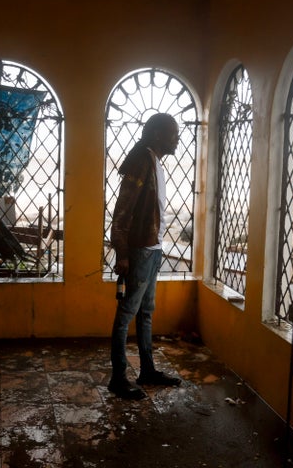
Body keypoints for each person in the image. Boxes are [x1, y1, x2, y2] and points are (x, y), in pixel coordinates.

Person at [108, 113, 183, 400]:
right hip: (139, 250)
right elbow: (122, 211)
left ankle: (147, 370)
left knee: (146, 312)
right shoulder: (141, 160)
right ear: (157, 135)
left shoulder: (154, 162)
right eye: (173, 133)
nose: (177, 138)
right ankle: (118, 377)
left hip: (152, 248)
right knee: (126, 314)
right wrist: (123, 252)